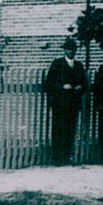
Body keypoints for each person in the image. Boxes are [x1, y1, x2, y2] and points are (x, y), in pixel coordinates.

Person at [42, 37, 87, 165]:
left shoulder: (78, 66)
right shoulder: (57, 64)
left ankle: (66, 157)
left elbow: (85, 83)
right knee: (58, 130)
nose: (70, 52)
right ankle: (57, 158)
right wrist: (62, 86)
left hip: (73, 104)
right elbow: (48, 84)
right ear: (64, 50)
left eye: (73, 49)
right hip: (60, 104)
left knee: (70, 130)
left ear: (76, 51)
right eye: (68, 49)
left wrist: (80, 87)